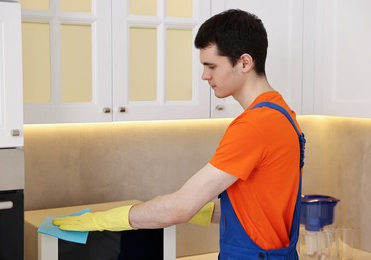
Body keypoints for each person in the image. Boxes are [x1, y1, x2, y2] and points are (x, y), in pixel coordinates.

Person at [54, 9, 305, 259]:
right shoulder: (283, 115)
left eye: (212, 66)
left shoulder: (254, 126)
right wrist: (201, 209)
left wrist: (102, 220)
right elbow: (259, 212)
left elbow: (179, 209)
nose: (205, 76)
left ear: (244, 62)